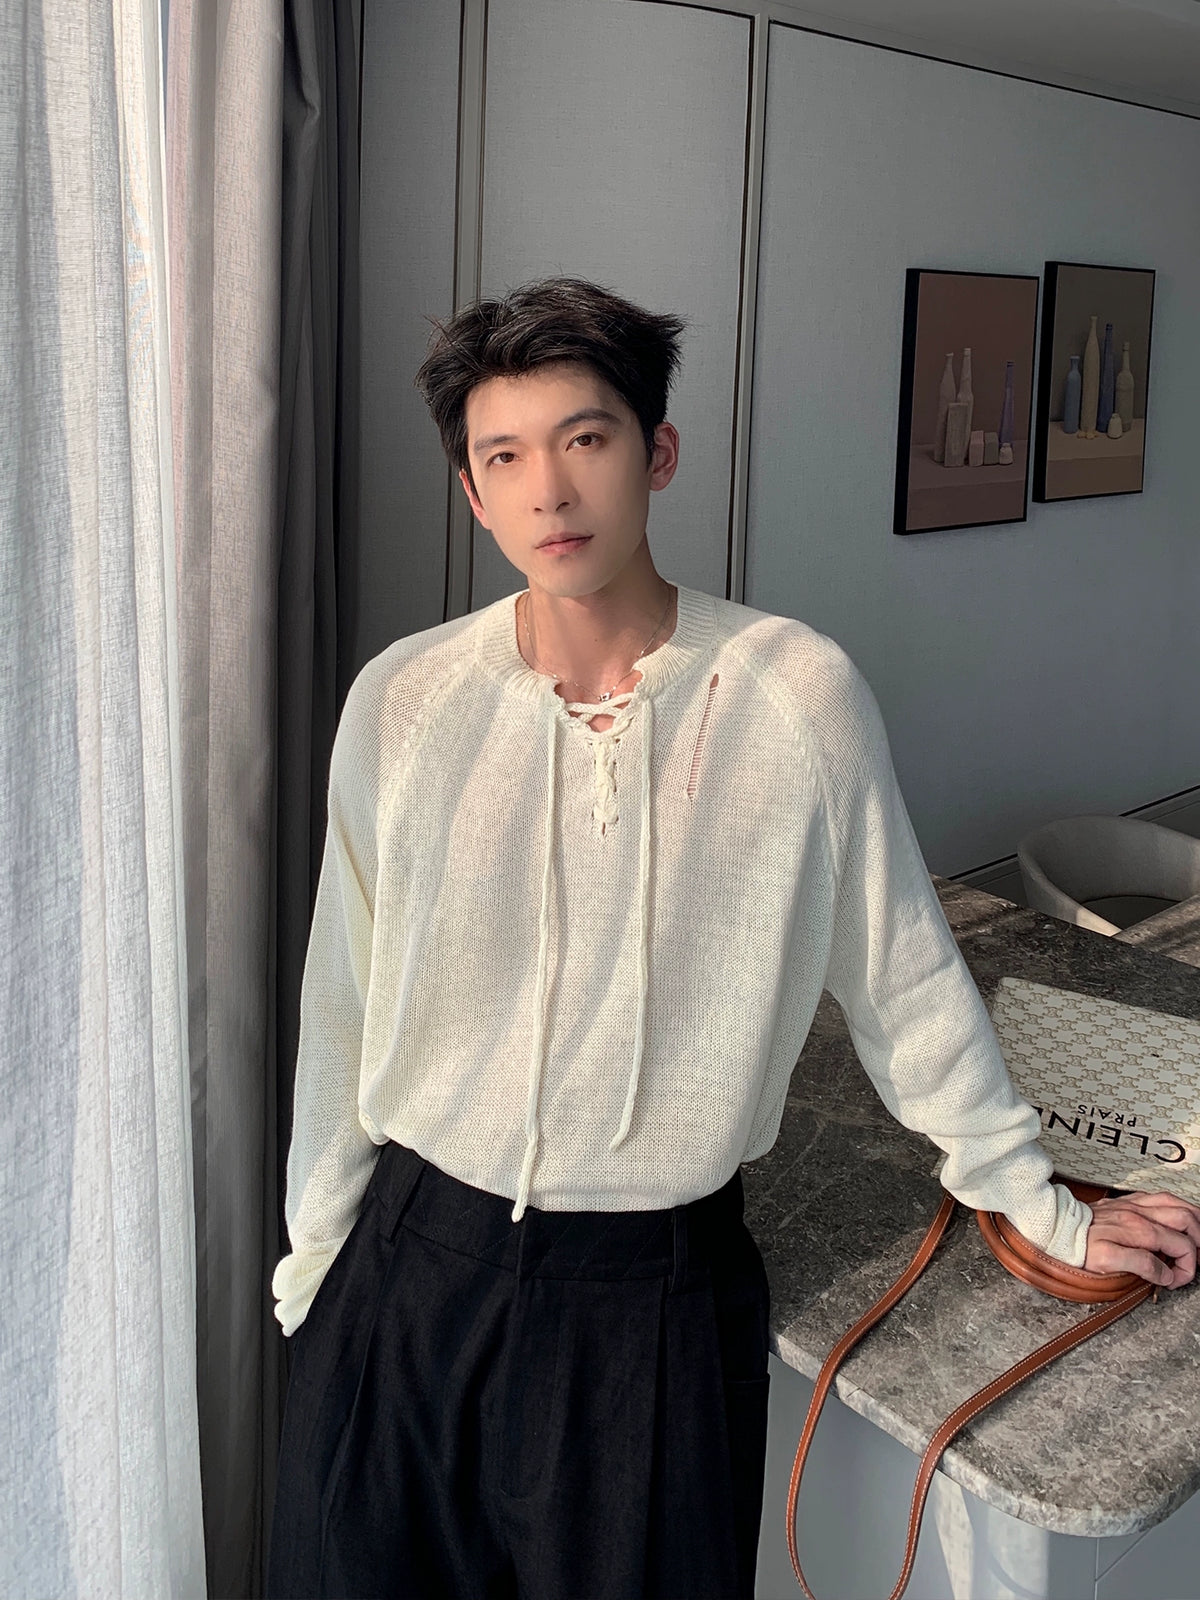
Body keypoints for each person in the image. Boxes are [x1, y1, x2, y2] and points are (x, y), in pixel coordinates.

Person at [266, 276, 1200, 1600]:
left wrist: (1034, 1204)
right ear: (472, 492)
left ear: (657, 453)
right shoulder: (404, 701)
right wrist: (316, 1267)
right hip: (409, 1269)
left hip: (651, 1293)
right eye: (505, 456)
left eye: (586, 439)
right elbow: (344, 995)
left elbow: (903, 977)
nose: (550, 491)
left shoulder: (793, 694)